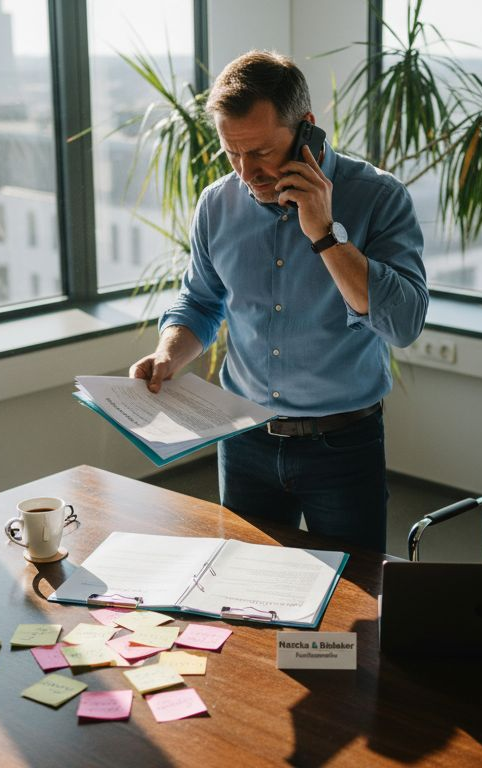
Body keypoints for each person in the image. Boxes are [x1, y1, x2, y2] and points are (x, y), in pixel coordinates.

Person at [129, 50, 427, 552]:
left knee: (355, 603)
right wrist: (167, 353)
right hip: (243, 437)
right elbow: (201, 302)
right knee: (248, 592)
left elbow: (404, 324)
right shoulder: (216, 204)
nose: (248, 172)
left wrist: (327, 236)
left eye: (262, 152)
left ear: (307, 127)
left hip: (343, 444)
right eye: (232, 154)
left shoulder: (379, 197)